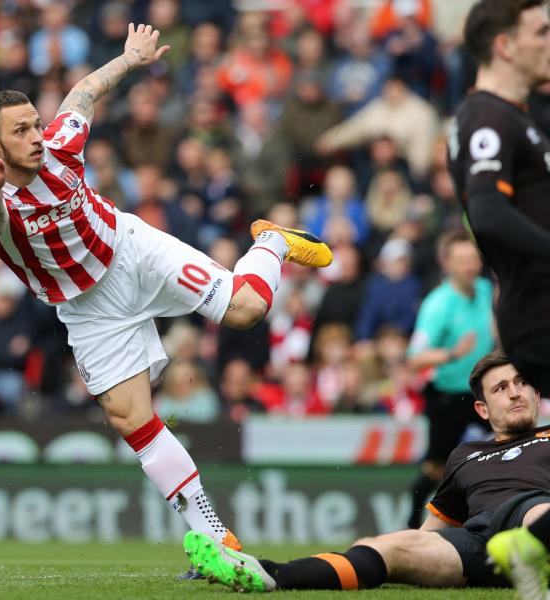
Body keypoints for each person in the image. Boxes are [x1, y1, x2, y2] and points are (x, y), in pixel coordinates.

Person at [0, 22, 332, 576]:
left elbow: (82, 92)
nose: (37, 135)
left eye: (36, 123)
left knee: (248, 311)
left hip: (130, 251)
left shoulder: (61, 145)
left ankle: (271, 241)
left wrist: (130, 59)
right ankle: (216, 539)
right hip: (87, 309)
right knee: (130, 417)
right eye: (21, 130)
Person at [185, 350, 550, 593]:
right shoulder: (466, 455)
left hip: (535, 515)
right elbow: (428, 534)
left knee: (538, 513)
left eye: (521, 383)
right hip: (480, 543)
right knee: (384, 546)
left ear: (536, 393)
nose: (515, 393)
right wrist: (401, 547)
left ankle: (535, 550)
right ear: (483, 410)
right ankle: (269, 574)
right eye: (501, 388)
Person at [443, 1, 550, 592]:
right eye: (542, 32)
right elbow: (487, 211)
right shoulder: (488, 116)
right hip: (539, 311)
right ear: (505, 45)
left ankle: (530, 545)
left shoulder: (515, 114)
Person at [405, 230, 495, 528]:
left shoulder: (485, 290)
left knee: (506, 447)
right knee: (435, 468)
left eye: (473, 259)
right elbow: (415, 358)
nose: (470, 265)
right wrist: (452, 354)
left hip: (480, 392)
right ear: (447, 263)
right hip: (448, 396)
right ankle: (411, 524)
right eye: (462, 260)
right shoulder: (438, 305)